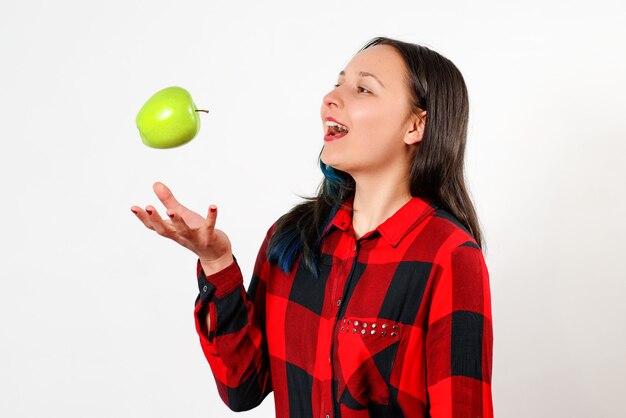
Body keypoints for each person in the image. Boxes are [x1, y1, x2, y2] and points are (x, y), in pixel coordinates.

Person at [131, 36, 494, 418]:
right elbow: (242, 386)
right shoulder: (291, 238)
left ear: (416, 125)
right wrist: (216, 261)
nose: (331, 98)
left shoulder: (448, 256)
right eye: (338, 83)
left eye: (363, 88)